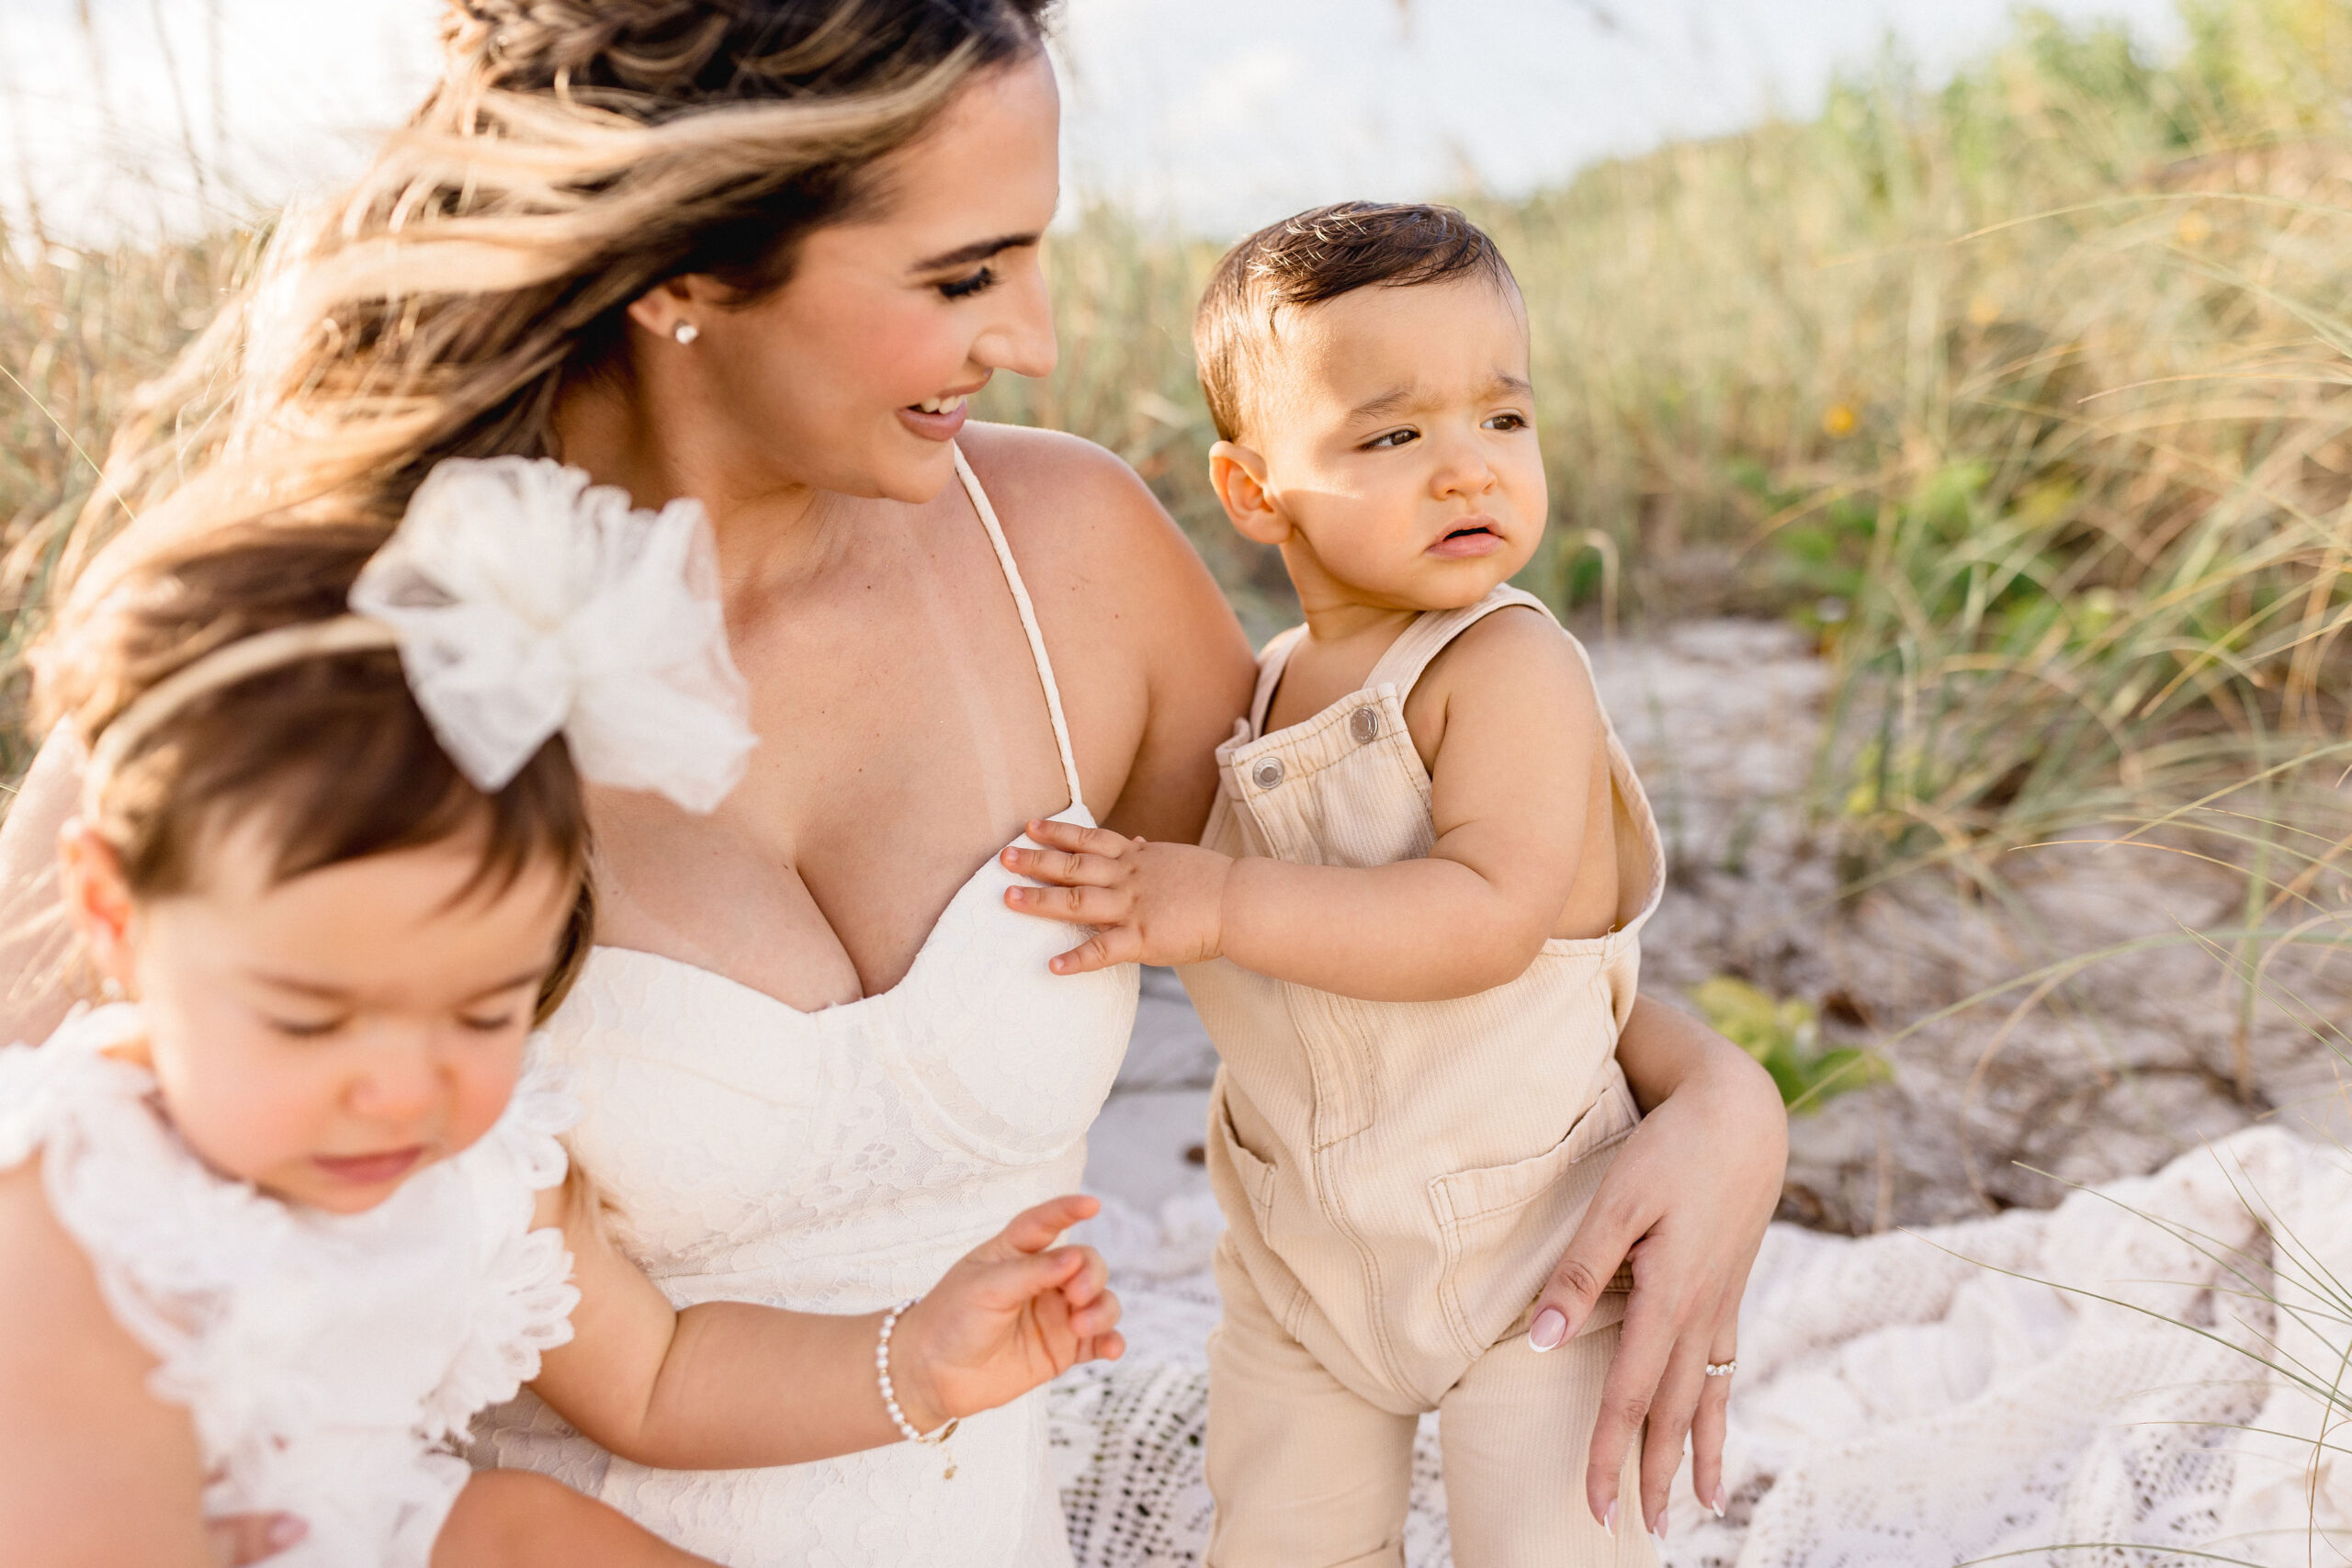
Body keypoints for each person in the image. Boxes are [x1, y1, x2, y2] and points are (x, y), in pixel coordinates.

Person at [0, 4, 1784, 1561]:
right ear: (690, 265)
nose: (1032, 337)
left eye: (1030, 254)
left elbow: (1386, 893)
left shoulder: (1065, 554)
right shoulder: (329, 661)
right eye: (958, 276)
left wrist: (1710, 1094)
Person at [0, 459, 1124, 1567]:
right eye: (309, 1021)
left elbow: (657, 1375)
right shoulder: (76, 1205)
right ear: (113, 912)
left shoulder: (476, 1158)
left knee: (520, 1527)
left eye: (485, 1015)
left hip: (380, 1523)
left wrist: (914, 1361)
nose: (403, 1090)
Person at [1008, 202, 1747, 1563]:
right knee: (1280, 1538)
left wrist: (1214, 905)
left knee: (1549, 1539)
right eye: (1394, 434)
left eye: (1503, 421)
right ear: (1252, 490)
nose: (1467, 468)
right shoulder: (1273, 686)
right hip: (1303, 1261)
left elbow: (1486, 917)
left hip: (1530, 1248)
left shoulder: (1510, 666)